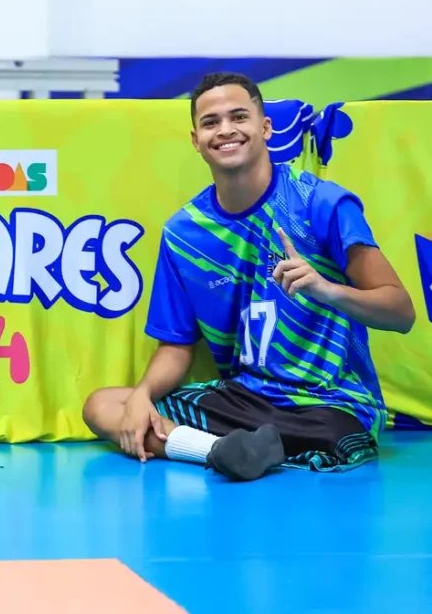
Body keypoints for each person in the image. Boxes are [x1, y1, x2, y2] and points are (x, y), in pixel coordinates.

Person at [82, 72, 415, 481]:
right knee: (106, 407)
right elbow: (177, 347)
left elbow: (401, 312)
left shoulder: (321, 203)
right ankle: (224, 451)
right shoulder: (183, 233)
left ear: (265, 127)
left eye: (238, 116)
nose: (225, 130)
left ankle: (239, 448)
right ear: (196, 140)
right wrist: (142, 395)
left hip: (331, 404)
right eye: (211, 122)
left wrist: (327, 290)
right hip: (244, 400)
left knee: (338, 436)